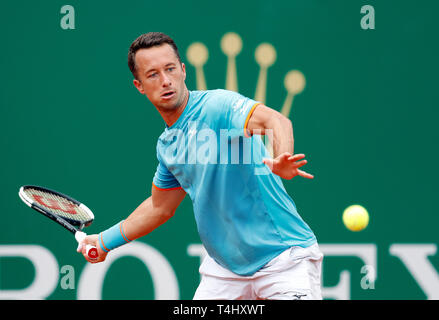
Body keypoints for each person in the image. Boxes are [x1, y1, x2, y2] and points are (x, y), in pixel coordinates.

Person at [78, 32, 324, 300]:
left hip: (283, 260)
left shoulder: (218, 106)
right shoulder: (168, 147)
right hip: (224, 272)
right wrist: (103, 241)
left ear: (183, 70)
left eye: (170, 69)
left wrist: (282, 156)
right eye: (153, 75)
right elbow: (159, 208)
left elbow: (275, 121)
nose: (166, 81)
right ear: (139, 85)